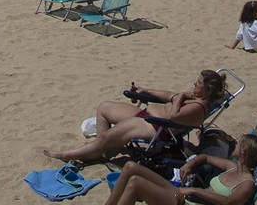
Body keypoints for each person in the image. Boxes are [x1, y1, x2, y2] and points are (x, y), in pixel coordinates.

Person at [80, 133, 257, 205]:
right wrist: (191, 163)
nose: (235, 144)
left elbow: (228, 203)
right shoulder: (232, 167)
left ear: (245, 152)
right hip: (186, 200)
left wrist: (195, 190)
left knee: (136, 183)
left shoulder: (246, 184)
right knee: (131, 167)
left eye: (239, 144)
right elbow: (205, 158)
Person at [43, 70, 227, 165]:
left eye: (199, 83)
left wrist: (180, 97)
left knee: (107, 138)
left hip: (155, 126)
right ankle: (103, 148)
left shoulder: (198, 106)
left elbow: (174, 115)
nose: (194, 83)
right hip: (148, 116)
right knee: (104, 108)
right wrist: (145, 90)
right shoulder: (195, 98)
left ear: (207, 90)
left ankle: (68, 154)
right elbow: (170, 95)